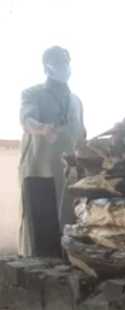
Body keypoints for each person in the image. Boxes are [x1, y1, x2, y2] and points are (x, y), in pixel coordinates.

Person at [18, 46, 86, 256]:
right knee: (40, 216)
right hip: (41, 166)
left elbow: (81, 134)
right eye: (58, 62)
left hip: (68, 170)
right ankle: (32, 262)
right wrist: (42, 128)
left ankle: (69, 258)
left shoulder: (76, 100)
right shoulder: (33, 93)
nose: (64, 67)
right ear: (47, 67)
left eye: (66, 61)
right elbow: (26, 120)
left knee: (68, 212)